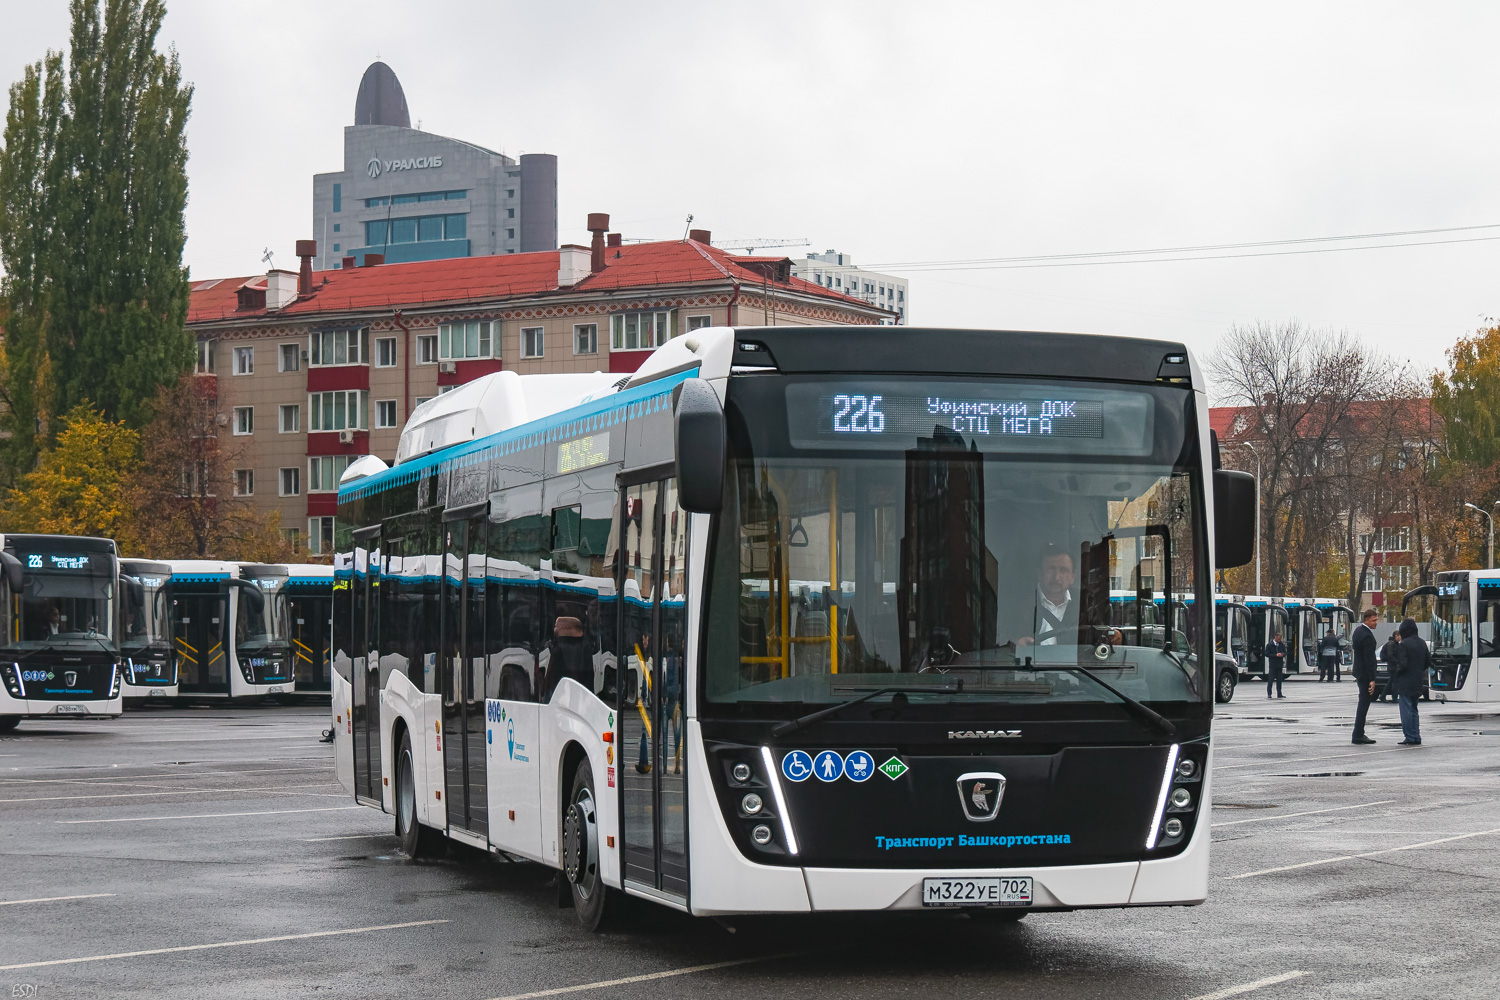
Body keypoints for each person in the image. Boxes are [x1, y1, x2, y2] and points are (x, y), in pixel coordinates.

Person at [1393, 617, 1428, 746]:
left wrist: (1396, 671)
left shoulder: (1404, 644)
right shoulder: (1422, 643)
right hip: (1418, 680)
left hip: (1406, 681)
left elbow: (1403, 664)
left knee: (1406, 709)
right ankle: (1416, 735)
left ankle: (1409, 736)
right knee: (1414, 709)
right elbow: (1427, 662)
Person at [1350, 609, 1379, 744]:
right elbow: (1369, 658)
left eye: (1376, 620)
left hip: (1360, 672)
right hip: (1366, 674)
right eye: (1374, 620)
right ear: (1366, 619)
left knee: (1363, 702)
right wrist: (1372, 678)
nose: (1376, 623)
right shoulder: (1366, 635)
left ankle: (1358, 733)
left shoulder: (1358, 631)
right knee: (1364, 704)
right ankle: (1358, 734)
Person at [1264, 631, 1287, 698]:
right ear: (1275, 637)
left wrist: (1282, 654)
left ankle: (1279, 693)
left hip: (1279, 664)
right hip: (1273, 664)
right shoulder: (1269, 645)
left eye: (1280, 639)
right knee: (1270, 679)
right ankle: (1269, 693)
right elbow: (1267, 654)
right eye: (1278, 639)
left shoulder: (1282, 644)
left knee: (1279, 680)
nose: (1279, 641)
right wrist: (1275, 655)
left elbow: (1285, 652)